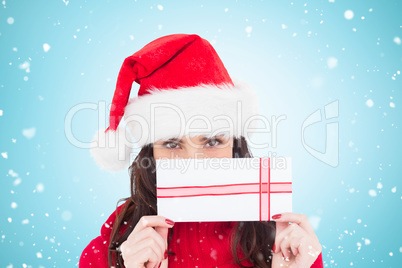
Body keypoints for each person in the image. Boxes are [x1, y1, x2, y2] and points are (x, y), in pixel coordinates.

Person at [79, 34, 324, 268]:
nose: (192, 161)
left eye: (213, 141)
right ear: (150, 153)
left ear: (235, 145)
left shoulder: (285, 241)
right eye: (172, 144)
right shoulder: (121, 238)